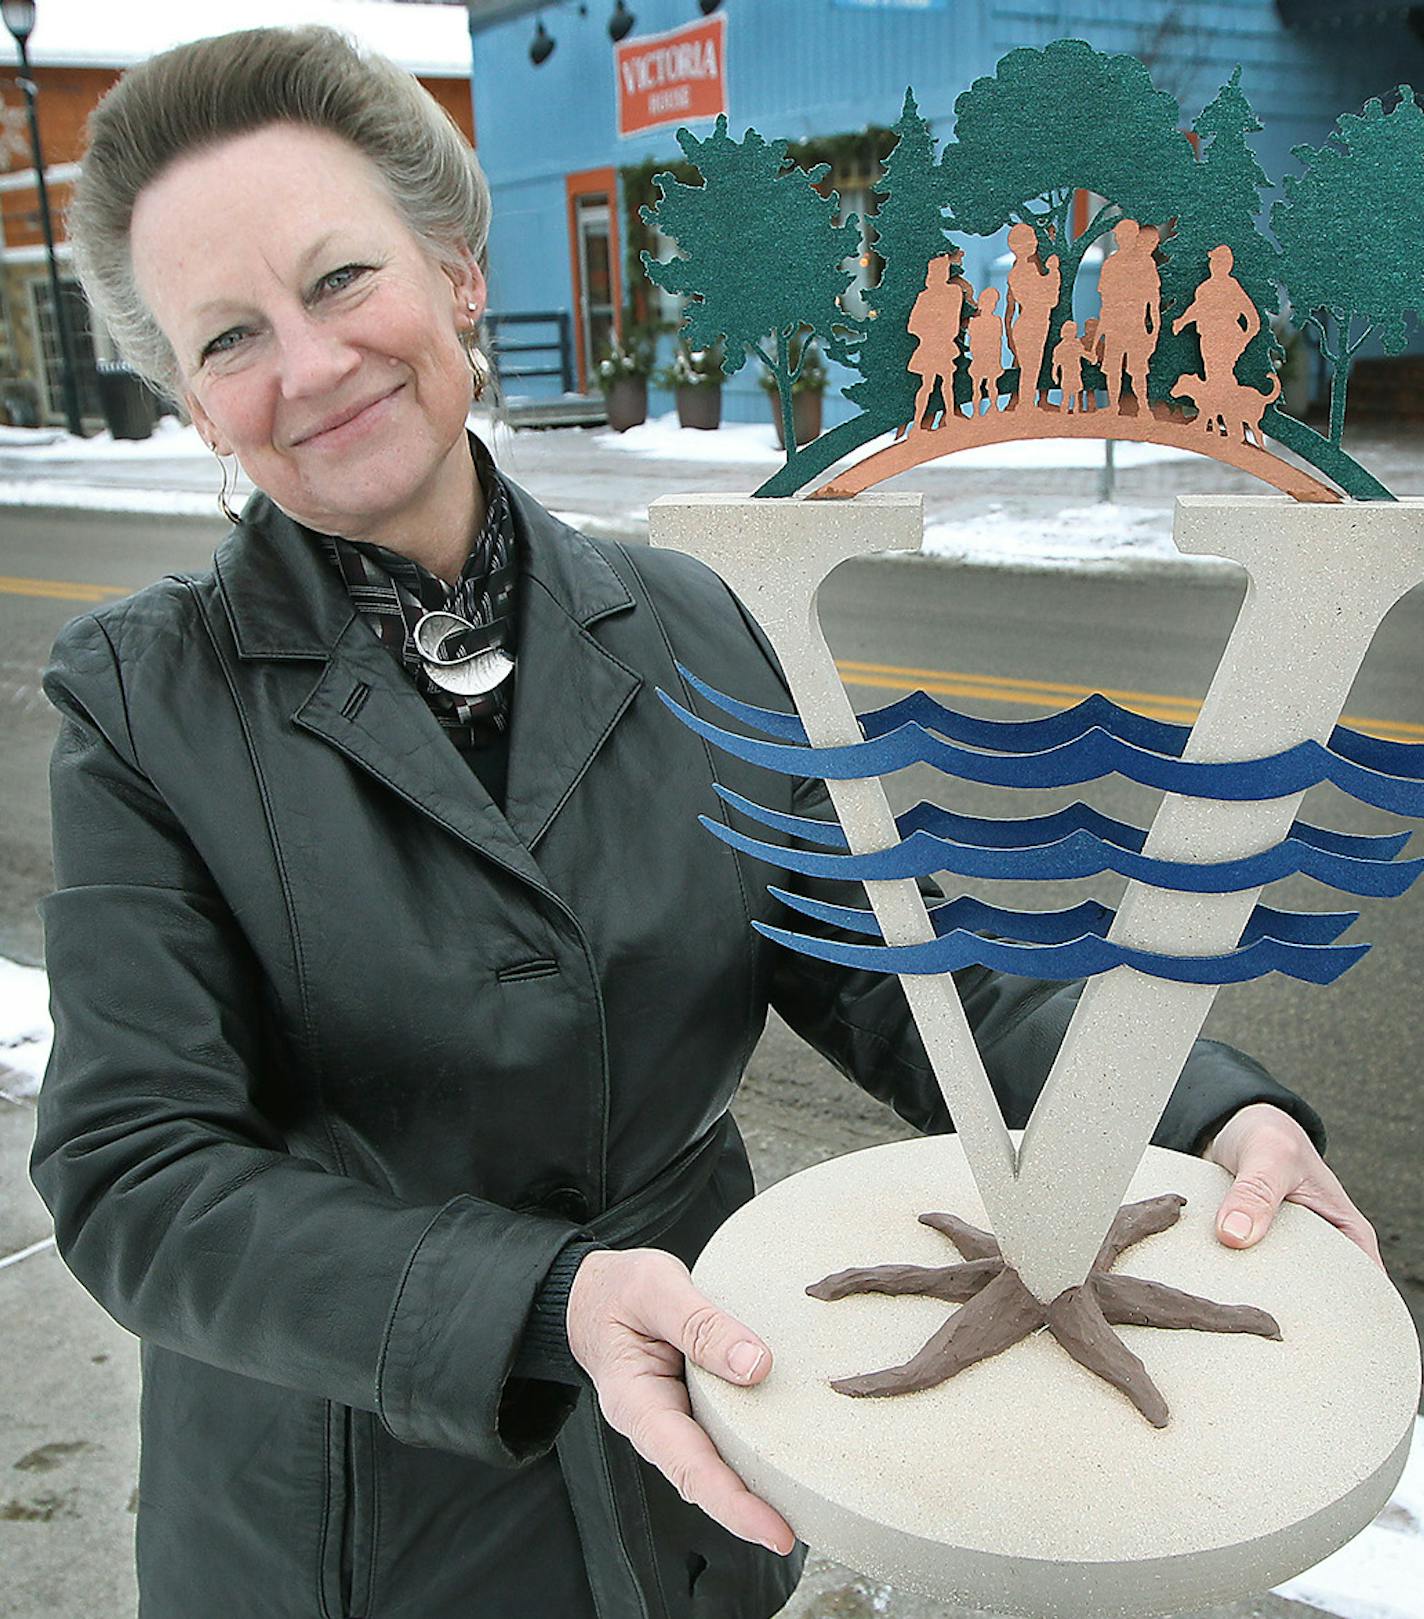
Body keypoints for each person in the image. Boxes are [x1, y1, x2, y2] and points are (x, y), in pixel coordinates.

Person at [32, 26, 1379, 1619]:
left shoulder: (693, 621)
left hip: (709, 1443)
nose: (309, 367)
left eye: (340, 280)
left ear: (459, 271)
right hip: (351, 1504)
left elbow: (900, 957)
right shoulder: (138, 704)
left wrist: (1193, 1104)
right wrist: (536, 1303)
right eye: (230, 337)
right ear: (192, 402)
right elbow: (137, 1172)